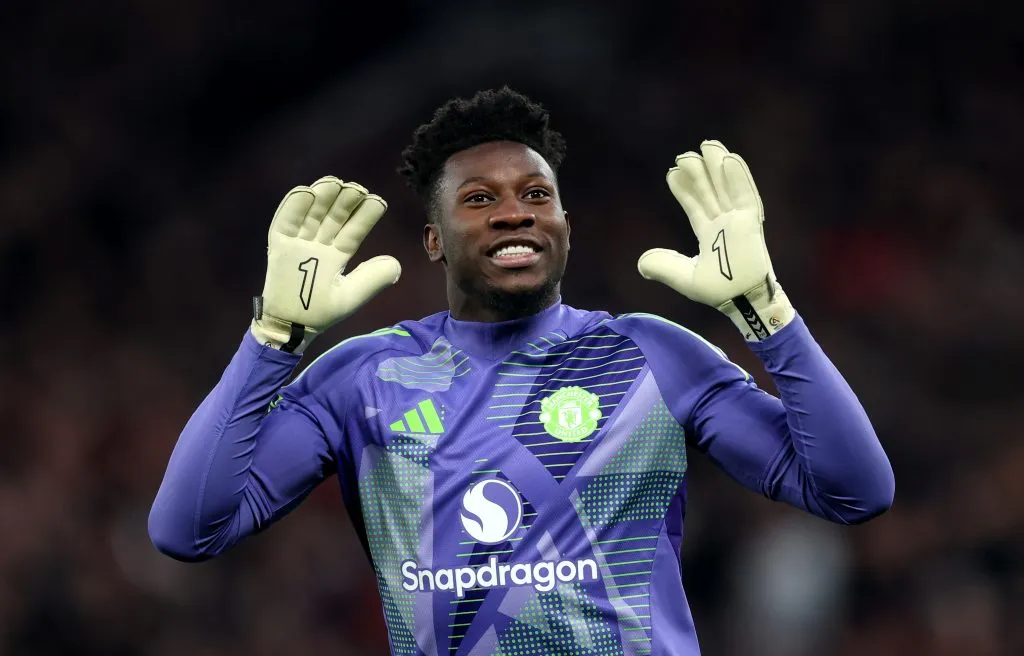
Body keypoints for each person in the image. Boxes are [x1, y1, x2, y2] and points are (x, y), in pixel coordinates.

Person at [149, 87, 895, 655]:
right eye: (480, 199)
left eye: (537, 195)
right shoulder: (363, 379)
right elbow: (187, 529)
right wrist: (272, 339)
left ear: (565, 228)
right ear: (435, 240)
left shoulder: (650, 356)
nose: (515, 212)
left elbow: (855, 490)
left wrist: (767, 312)